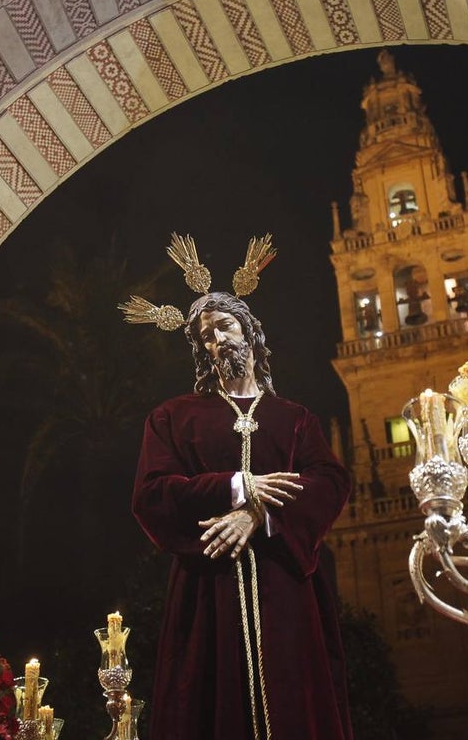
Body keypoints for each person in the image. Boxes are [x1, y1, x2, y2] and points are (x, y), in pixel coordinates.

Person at [131, 291, 354, 740]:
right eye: (206, 336)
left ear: (250, 331)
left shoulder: (294, 420)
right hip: (206, 591)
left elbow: (331, 481)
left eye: (225, 326)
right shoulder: (173, 418)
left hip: (285, 591)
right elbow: (152, 494)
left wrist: (257, 515)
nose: (217, 339)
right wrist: (236, 486)